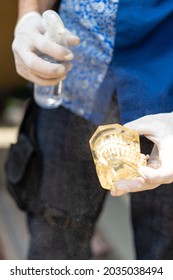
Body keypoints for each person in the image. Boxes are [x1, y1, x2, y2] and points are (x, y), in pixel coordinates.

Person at [7, 0, 173, 259]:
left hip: (165, 95)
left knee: (164, 253)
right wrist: (29, 15)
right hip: (72, 77)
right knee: (53, 249)